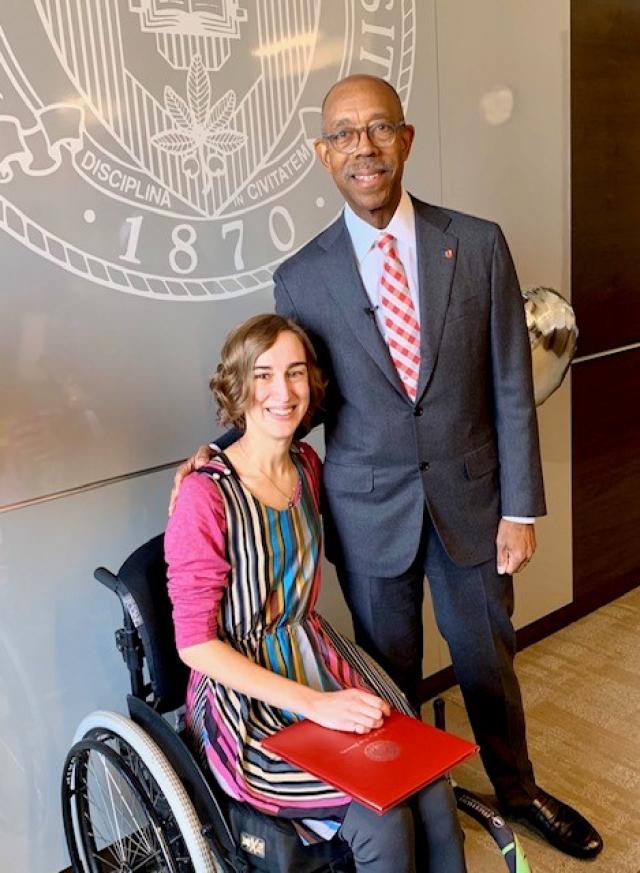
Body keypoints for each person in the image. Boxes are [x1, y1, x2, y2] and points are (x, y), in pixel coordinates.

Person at [173, 74, 602, 859]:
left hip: (474, 502)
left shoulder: (475, 242)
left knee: (487, 661)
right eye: (343, 133)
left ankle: (519, 788)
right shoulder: (304, 275)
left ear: (405, 139)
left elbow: (511, 379)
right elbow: (290, 390)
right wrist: (217, 449)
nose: (361, 147)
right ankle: (400, 808)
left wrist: (521, 508)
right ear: (322, 153)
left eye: (378, 129)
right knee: (387, 679)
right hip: (368, 513)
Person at [165, 313, 468, 873]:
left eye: (296, 373)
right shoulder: (203, 499)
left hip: (315, 656)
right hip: (244, 696)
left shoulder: (308, 466)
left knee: (428, 784)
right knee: (382, 818)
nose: (283, 391)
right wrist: (315, 706)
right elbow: (195, 647)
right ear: (237, 387)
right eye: (263, 375)